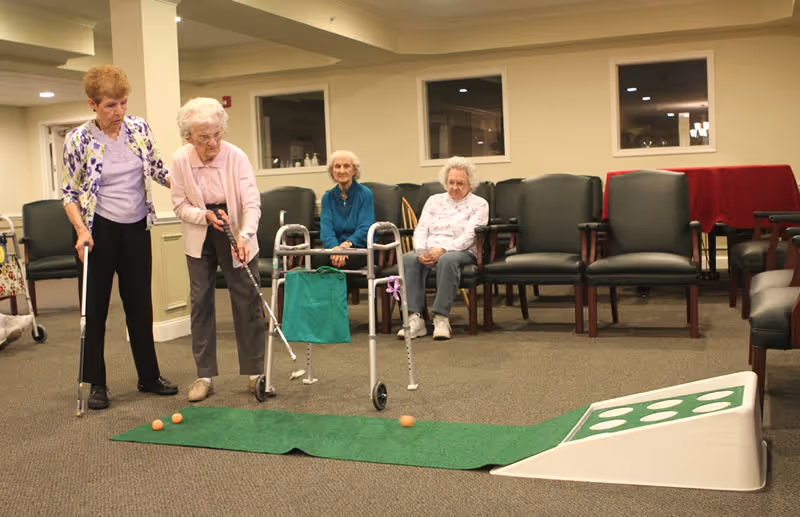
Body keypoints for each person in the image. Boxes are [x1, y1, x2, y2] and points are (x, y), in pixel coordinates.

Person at [62, 65, 177, 410]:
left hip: (137, 227)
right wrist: (81, 230)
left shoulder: (138, 129)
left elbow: (158, 169)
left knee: (140, 306)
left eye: (123, 103)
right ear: (92, 105)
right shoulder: (78, 140)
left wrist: (190, 189)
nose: (119, 112)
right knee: (94, 310)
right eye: (110, 105)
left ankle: (149, 376)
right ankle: (96, 382)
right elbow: (69, 193)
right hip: (97, 231)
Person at [170, 97, 265, 402]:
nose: (212, 143)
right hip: (200, 235)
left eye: (216, 135)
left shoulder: (236, 157)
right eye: (203, 137)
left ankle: (255, 372)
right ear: (189, 137)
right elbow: (179, 205)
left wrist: (244, 235)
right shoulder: (180, 160)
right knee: (200, 303)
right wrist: (204, 217)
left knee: (247, 299)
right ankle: (204, 375)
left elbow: (251, 204)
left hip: (236, 231)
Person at [397, 156, 489, 340]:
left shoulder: (479, 204)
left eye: (460, 183)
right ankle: (416, 318)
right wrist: (421, 250)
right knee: (408, 258)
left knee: (447, 260)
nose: (454, 187)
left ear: (470, 184)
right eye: (451, 182)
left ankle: (441, 317)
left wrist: (443, 249)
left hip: (461, 251)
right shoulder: (434, 200)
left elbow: (469, 236)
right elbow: (421, 228)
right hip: (430, 249)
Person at [318, 150, 375, 269]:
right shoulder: (327, 197)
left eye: (346, 166)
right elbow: (326, 229)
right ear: (332, 171)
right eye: (337, 166)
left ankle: (345, 289)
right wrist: (335, 248)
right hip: (334, 248)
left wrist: (345, 246)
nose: (341, 170)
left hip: (358, 247)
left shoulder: (365, 194)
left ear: (354, 170)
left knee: (345, 262)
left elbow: (365, 227)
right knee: (318, 261)